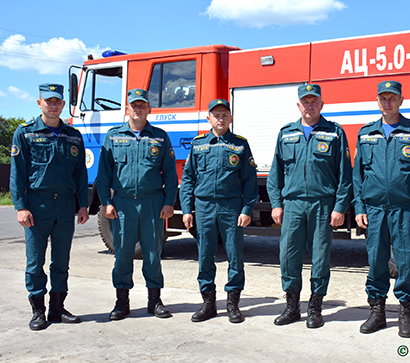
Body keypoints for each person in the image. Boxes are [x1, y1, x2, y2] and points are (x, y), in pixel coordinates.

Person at [353, 81, 410, 338]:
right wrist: (359, 206)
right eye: (383, 98)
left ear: (401, 100)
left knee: (406, 263)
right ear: (377, 101)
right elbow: (357, 175)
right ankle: (377, 312)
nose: (387, 102)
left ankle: (406, 314)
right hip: (375, 210)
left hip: (405, 210)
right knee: (376, 262)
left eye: (392, 98)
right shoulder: (366, 133)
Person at [267, 84, 352, 329]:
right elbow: (276, 174)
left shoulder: (335, 132)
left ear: (322, 104)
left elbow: (345, 175)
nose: (309, 105)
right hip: (293, 205)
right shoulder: (286, 133)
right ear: (298, 105)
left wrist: (339, 207)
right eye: (305, 101)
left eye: (314, 101)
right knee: (288, 256)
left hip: (322, 205)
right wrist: (276, 204)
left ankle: (315, 307)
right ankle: (292, 307)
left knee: (320, 257)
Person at [10, 83, 89, 330]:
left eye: (57, 102)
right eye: (49, 101)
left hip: (65, 204)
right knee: (35, 261)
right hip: (37, 204)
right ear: (39, 103)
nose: (53, 105)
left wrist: (83, 205)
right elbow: (17, 173)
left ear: (63, 105)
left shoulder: (73, 135)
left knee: (61, 260)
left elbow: (80, 174)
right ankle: (37, 311)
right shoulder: (25, 133)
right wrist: (21, 207)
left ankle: (57, 308)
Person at [96, 89, 178, 320]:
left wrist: (169, 202)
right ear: (127, 109)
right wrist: (106, 203)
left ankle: (155, 301)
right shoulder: (113, 136)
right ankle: (122, 301)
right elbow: (103, 174)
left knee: (152, 252)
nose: (138, 109)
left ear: (149, 109)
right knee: (122, 253)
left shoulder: (160, 136)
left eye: (142, 105)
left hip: (152, 202)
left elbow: (170, 174)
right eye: (134, 105)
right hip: (122, 203)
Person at [180, 99, 257, 324]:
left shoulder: (241, 144)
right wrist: (187, 209)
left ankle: (233, 305)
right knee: (205, 256)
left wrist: (246, 209)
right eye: (216, 115)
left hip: (231, 207)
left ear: (231, 118)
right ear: (209, 119)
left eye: (224, 115)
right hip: (203, 207)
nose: (220, 119)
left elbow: (250, 181)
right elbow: (188, 179)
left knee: (235, 256)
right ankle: (208, 304)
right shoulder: (198, 144)